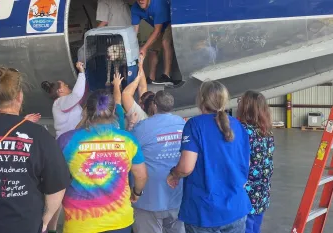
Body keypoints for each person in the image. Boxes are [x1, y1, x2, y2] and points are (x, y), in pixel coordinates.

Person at [57, 89, 148, 233]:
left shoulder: (66, 140)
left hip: (79, 222)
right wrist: (136, 193)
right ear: (113, 113)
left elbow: (55, 179)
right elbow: (141, 175)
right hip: (119, 221)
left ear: (86, 110)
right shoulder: (128, 140)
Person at [167, 81, 252, 233]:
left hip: (205, 211)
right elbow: (245, 163)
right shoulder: (238, 126)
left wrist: (174, 174)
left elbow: (186, 167)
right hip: (235, 208)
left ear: (201, 100)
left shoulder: (194, 125)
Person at [0, 66, 70, 233]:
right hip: (22, 223)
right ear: (19, 97)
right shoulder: (39, 135)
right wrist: (47, 218)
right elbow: (57, 185)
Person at [131, 91, 185, 233]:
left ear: (154, 105)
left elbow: (129, 152)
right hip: (176, 196)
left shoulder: (142, 127)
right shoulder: (182, 123)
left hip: (149, 199)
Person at [237, 91, 275, 233]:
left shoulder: (242, 131)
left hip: (246, 194)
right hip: (262, 193)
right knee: (254, 227)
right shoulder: (267, 132)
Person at [131, 0, 178, 86]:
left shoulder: (158, 4)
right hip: (159, 26)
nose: (141, 0)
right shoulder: (135, 8)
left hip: (171, 22)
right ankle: (151, 78)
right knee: (152, 48)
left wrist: (144, 48)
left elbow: (157, 31)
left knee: (165, 42)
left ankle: (166, 76)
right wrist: (132, 48)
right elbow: (134, 31)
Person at [41, 62, 86, 139]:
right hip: (67, 141)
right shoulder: (60, 102)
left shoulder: (64, 103)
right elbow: (77, 94)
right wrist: (81, 73)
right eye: (65, 85)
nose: (67, 85)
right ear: (60, 91)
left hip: (70, 140)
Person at [122, 54, 156, 130]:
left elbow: (126, 94)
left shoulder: (139, 115)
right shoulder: (153, 113)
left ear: (142, 106)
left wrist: (137, 79)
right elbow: (142, 87)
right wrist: (140, 66)